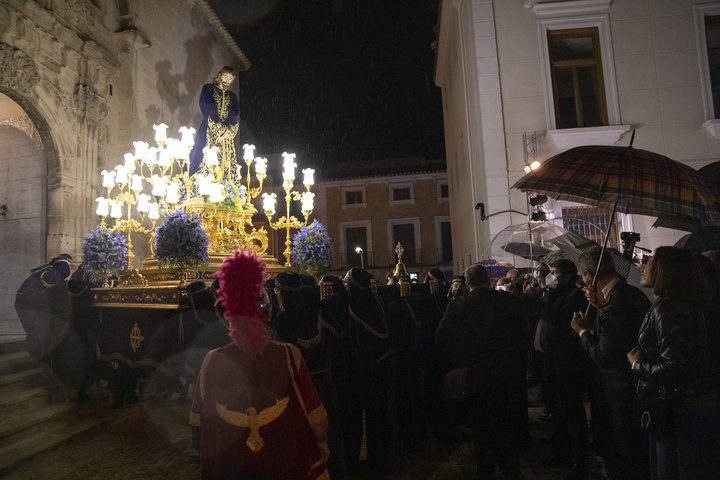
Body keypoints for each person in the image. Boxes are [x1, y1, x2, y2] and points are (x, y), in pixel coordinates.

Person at [190, 249, 329, 480]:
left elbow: (201, 425)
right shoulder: (288, 356)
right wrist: (322, 443)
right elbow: (317, 422)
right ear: (266, 312)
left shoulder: (211, 362)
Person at [627, 247, 720, 480]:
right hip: (692, 403)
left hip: (677, 408)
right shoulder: (688, 303)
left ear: (666, 271)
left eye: (651, 262)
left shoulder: (669, 308)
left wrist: (637, 364)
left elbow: (674, 366)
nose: (644, 266)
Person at [436, 263, 530, 479]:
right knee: (507, 427)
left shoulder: (457, 306)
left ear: (467, 284)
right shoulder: (509, 302)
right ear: (487, 280)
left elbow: (441, 339)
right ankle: (511, 470)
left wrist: (459, 359)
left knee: (482, 429)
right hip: (508, 376)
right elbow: (523, 336)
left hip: (476, 377)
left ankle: (486, 471)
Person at [571, 247, 650, 479]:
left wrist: (583, 331)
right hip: (627, 387)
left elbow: (605, 354)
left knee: (629, 452)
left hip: (622, 389)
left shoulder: (618, 301)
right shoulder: (625, 294)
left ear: (587, 274)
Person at [524, 254, 590, 480]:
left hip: (567, 363)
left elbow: (560, 320)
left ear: (568, 277)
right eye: (550, 272)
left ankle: (580, 460)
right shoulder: (553, 294)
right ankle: (561, 450)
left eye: (555, 273)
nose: (551, 277)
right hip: (550, 360)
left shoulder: (575, 296)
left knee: (572, 413)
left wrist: (538, 302)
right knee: (558, 411)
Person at [188, 66, 240, 176]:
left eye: (231, 79)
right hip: (209, 131)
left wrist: (227, 132)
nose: (228, 81)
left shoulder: (232, 97)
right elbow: (208, 108)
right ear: (220, 75)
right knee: (203, 160)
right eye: (226, 77)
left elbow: (235, 114)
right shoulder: (208, 89)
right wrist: (219, 130)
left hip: (227, 137)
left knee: (226, 164)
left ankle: (228, 187)